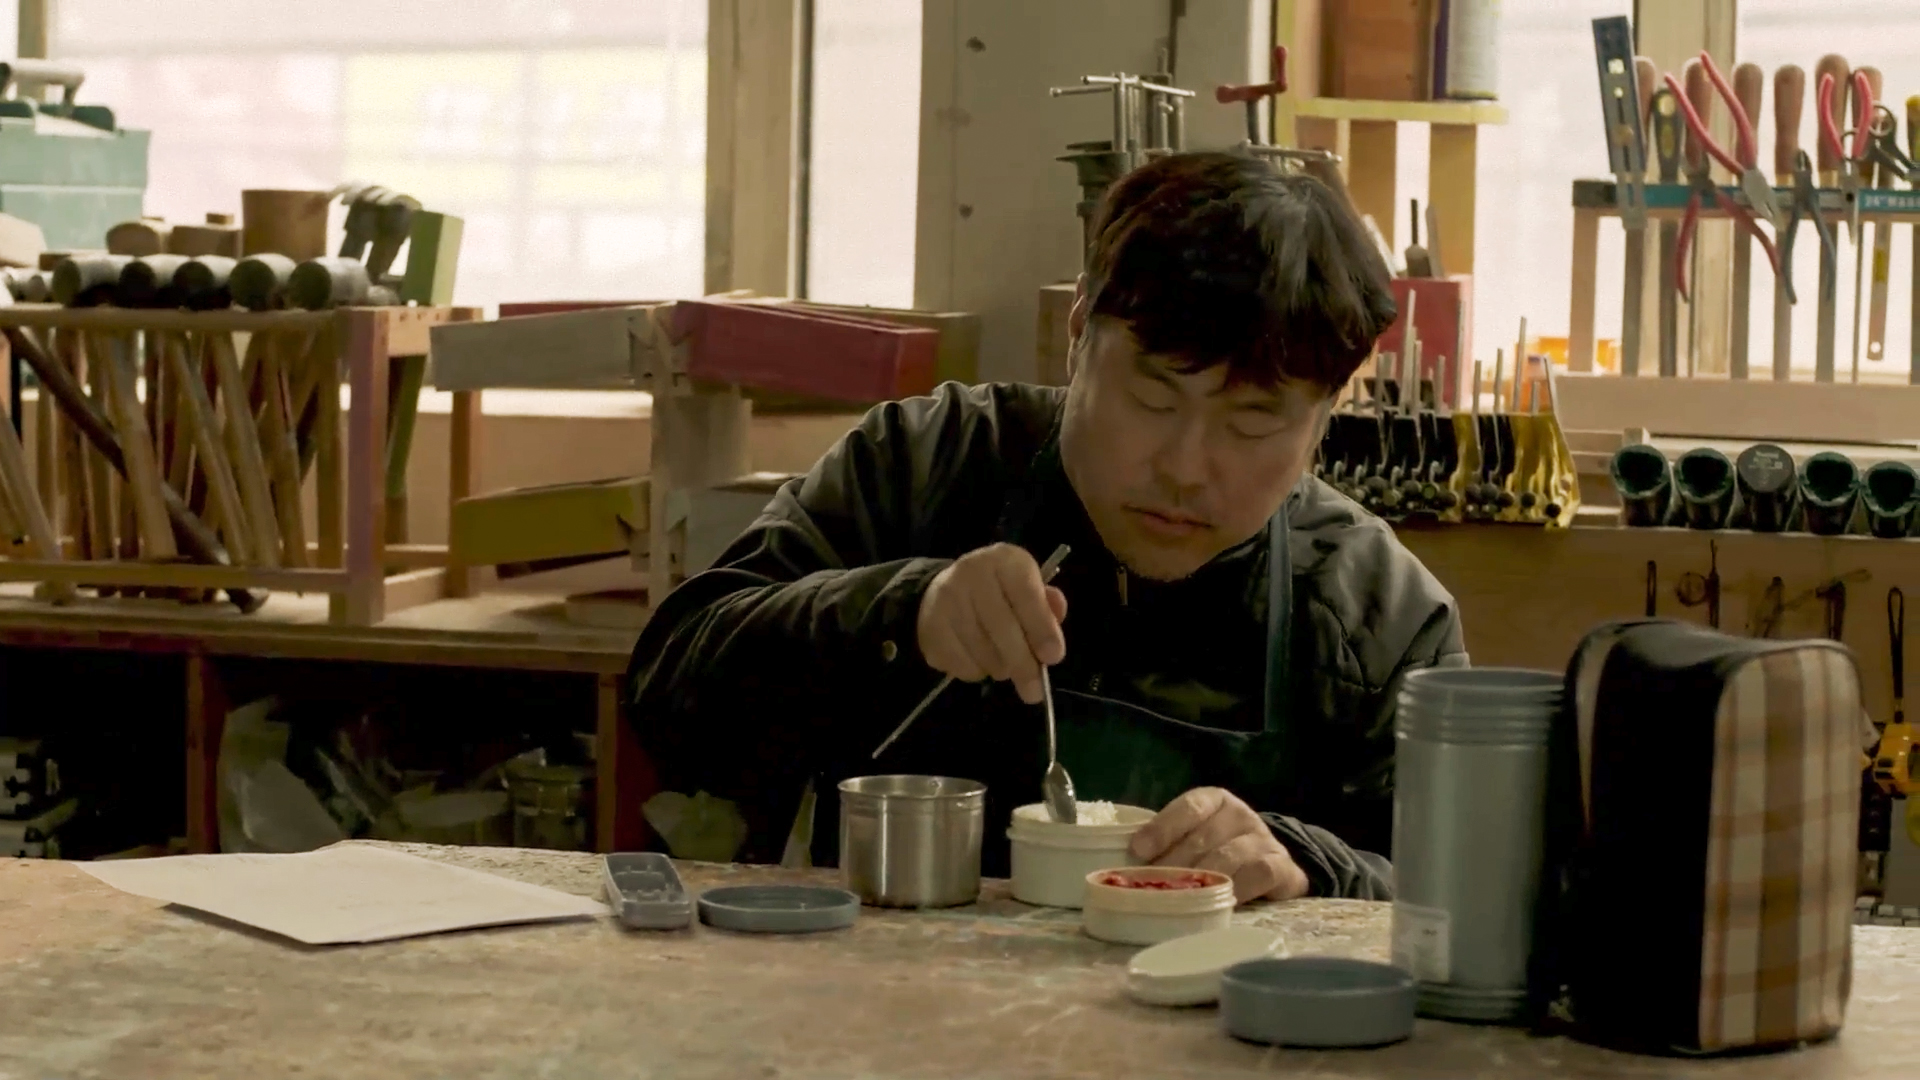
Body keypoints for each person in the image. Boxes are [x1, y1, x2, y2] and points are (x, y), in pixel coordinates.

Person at [624, 150, 1467, 902]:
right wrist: (900, 612)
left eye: (1251, 423)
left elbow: (1458, 890)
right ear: (1077, 331)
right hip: (890, 1000)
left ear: (1325, 416)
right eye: (1153, 397)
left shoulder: (1376, 611)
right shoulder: (925, 464)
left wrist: (1309, 863)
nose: (1185, 467)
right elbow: (668, 696)